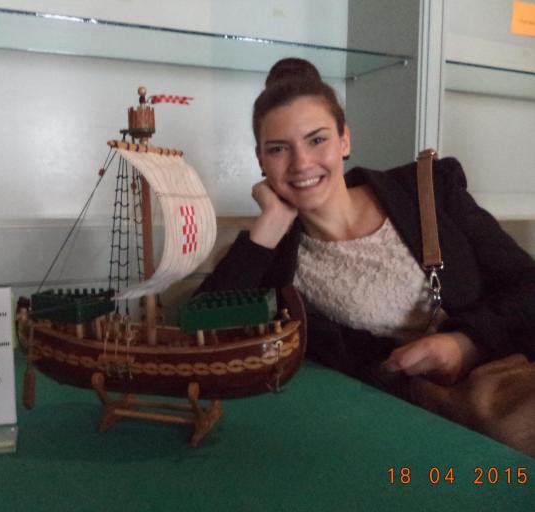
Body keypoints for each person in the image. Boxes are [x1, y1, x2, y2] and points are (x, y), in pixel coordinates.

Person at [198, 57, 535, 397]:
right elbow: (201, 336)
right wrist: (270, 223)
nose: (301, 163)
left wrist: (466, 343)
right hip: (404, 412)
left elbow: (527, 286)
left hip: (501, 391)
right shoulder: (276, 259)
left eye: (317, 140)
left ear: (344, 140)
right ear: (260, 159)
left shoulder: (425, 191)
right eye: (278, 149)